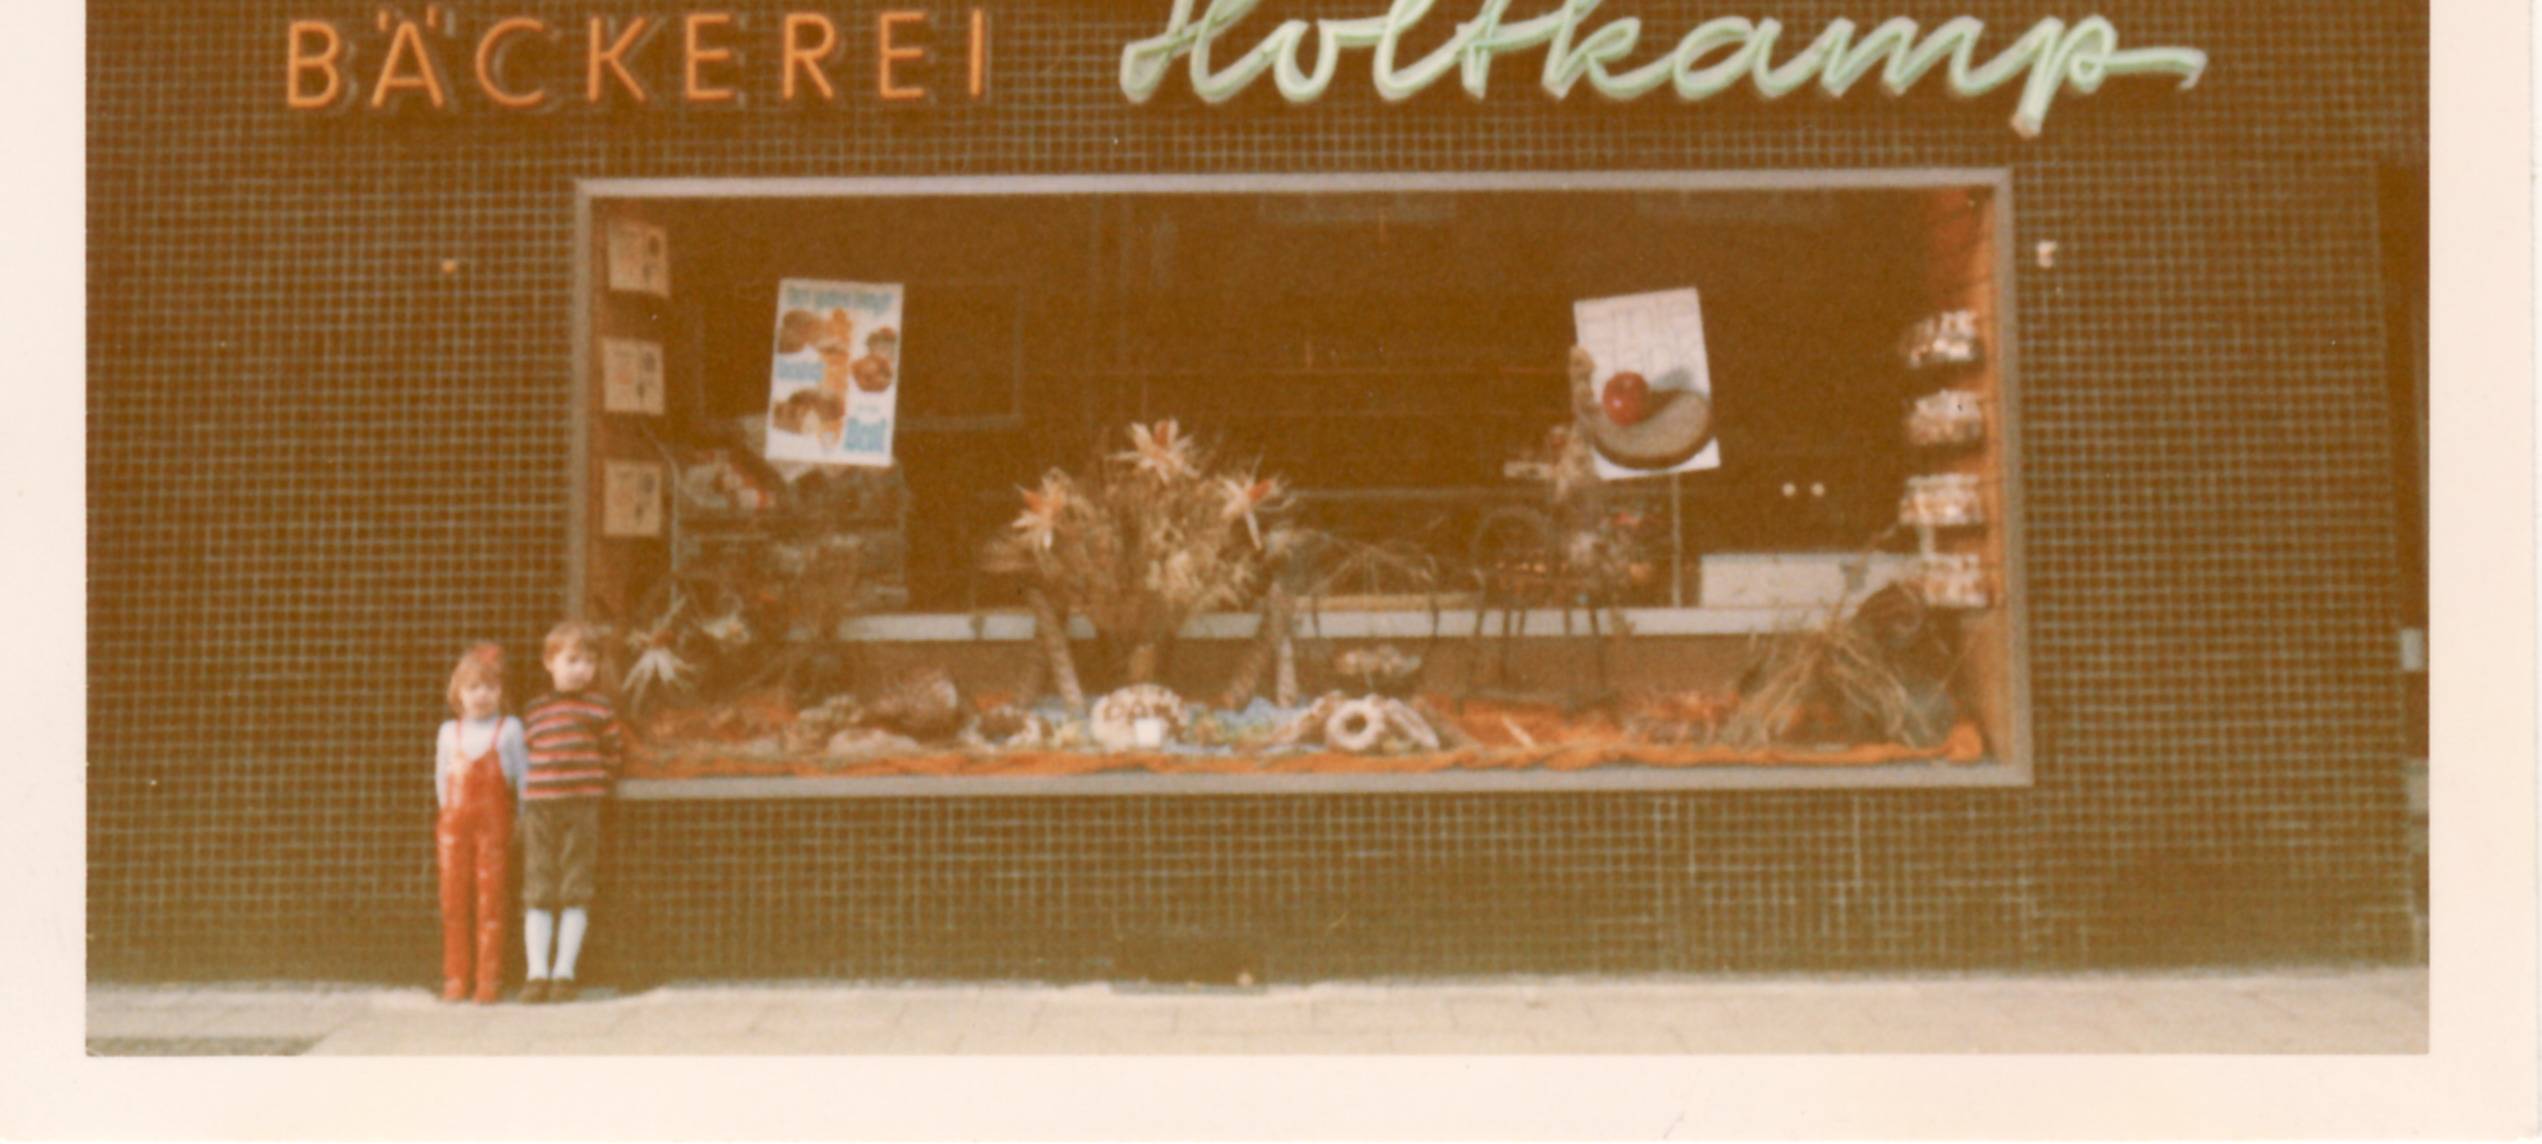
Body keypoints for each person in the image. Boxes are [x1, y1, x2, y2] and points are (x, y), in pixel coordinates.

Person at [517, 622, 628, 1002]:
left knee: (575, 884)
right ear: (550, 662)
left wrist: (598, 782)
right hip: (540, 807)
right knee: (538, 885)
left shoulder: (599, 708)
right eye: (572, 660)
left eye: (590, 661)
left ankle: (564, 971)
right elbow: (523, 756)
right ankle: (536, 973)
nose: (581, 668)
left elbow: (613, 751)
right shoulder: (534, 709)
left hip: (582, 806)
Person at [434, 643, 526, 1004]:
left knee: (491, 900)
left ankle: (489, 978)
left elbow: (523, 777)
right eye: (473, 688)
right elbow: (441, 779)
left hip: (493, 826)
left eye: (489, 687)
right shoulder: (448, 732)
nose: (482, 695)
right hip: (453, 829)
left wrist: (521, 817)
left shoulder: (509, 729)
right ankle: (455, 976)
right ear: (458, 693)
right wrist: (447, 818)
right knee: (453, 901)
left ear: (500, 692)